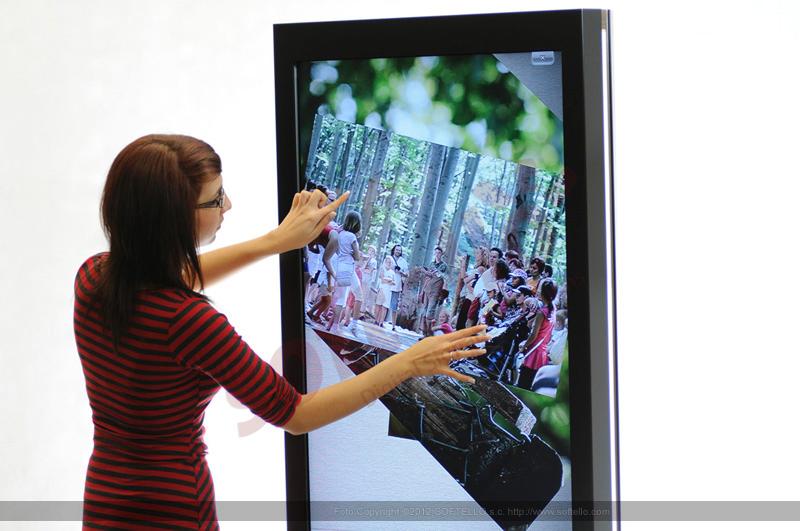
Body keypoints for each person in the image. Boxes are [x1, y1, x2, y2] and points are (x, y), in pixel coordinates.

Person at [74, 134, 490, 529]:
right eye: (216, 199)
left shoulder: (95, 277)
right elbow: (296, 414)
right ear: (174, 218)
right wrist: (409, 362)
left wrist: (276, 241)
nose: (229, 205)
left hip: (106, 499)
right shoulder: (189, 322)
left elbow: (170, 276)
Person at [517, 278, 558, 390]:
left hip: (533, 353)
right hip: (542, 353)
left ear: (543, 292)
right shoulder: (553, 309)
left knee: (523, 385)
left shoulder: (542, 313)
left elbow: (534, 334)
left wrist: (524, 345)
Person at [327, 211, 363, 333]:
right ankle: (341, 326)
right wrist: (355, 253)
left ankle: (332, 325)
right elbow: (358, 257)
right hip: (348, 268)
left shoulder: (340, 233)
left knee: (342, 297)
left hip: (341, 266)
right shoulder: (352, 237)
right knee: (349, 297)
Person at [420, 246, 449, 336]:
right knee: (424, 312)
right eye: (436, 253)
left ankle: (429, 333)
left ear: (441, 254)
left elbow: (445, 278)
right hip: (427, 290)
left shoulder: (443, 266)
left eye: (439, 253)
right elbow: (428, 277)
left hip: (435, 291)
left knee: (430, 313)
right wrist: (422, 291)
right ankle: (424, 332)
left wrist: (443, 293)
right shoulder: (432, 264)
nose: (437, 255)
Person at [388, 244, 409, 331]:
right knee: (383, 303)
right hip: (387, 283)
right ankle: (379, 321)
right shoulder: (389, 258)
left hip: (396, 285)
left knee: (394, 306)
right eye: (396, 250)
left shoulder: (403, 261)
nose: (398, 251)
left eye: (399, 250)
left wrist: (400, 271)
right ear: (394, 250)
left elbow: (407, 274)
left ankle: (393, 325)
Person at [374, 255, 395, 326]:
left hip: (388, 291)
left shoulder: (392, 272)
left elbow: (394, 282)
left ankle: (381, 322)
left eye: (390, 262)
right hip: (382, 289)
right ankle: (376, 320)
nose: (389, 264)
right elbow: (382, 280)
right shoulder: (382, 269)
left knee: (385, 307)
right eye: (387, 262)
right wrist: (389, 281)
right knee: (378, 305)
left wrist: (389, 281)